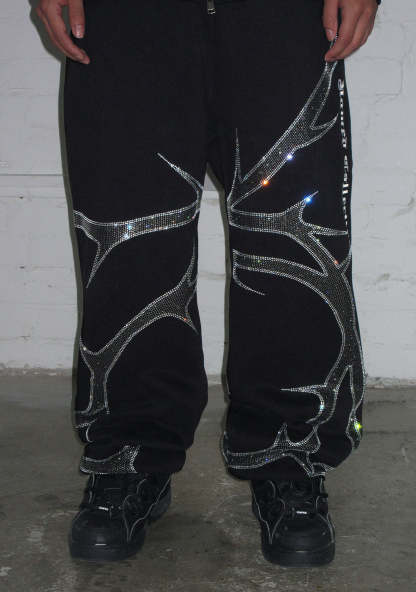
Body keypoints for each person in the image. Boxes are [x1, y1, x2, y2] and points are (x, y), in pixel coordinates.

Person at [35, 0, 380, 567]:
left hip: (282, 14)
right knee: (127, 236)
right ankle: (131, 455)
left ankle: (288, 456)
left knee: (291, 240)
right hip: (126, 16)